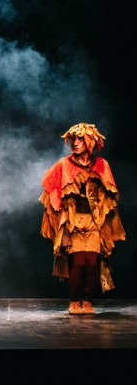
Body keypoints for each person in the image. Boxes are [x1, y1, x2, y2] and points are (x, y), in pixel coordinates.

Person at [39, 123, 126, 315]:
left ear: (90, 142)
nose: (75, 143)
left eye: (80, 139)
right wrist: (62, 221)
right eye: (73, 140)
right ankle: (74, 301)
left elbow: (110, 195)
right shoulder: (64, 164)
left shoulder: (101, 165)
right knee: (78, 262)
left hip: (94, 221)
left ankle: (87, 301)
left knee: (92, 263)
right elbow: (52, 191)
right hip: (74, 221)